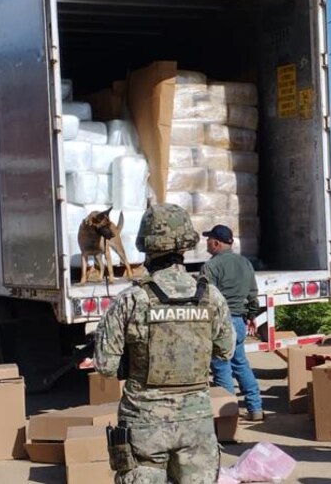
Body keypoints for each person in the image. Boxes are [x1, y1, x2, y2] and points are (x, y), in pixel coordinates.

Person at [94, 203, 235, 484]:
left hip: (144, 422)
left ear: (146, 246)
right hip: (196, 422)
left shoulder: (131, 300)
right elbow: (225, 351)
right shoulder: (211, 296)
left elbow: (106, 366)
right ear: (186, 245)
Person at [202, 224, 264, 422]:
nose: (206, 242)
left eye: (208, 239)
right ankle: (256, 409)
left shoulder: (211, 266)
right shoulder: (245, 263)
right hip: (238, 321)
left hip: (220, 323)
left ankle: (227, 417)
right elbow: (253, 295)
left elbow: (205, 298)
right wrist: (251, 315)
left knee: (221, 368)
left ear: (217, 243)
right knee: (240, 364)